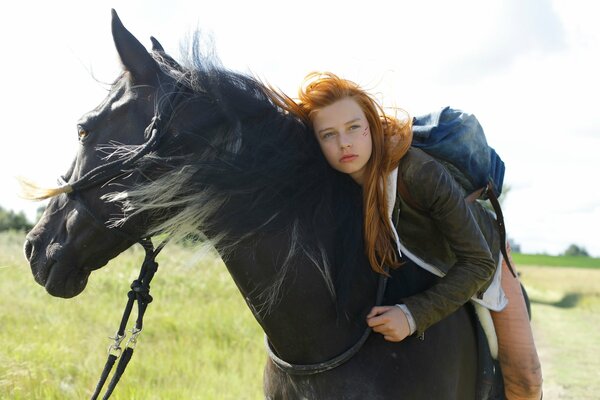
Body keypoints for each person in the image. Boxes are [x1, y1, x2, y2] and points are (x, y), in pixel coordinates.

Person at [270, 72, 543, 400]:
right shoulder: (329, 182)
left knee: (526, 377)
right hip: (411, 259)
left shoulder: (419, 171)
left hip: (477, 255)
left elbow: (479, 262)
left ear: (370, 125)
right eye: (329, 134)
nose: (344, 143)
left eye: (354, 128)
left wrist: (413, 316)